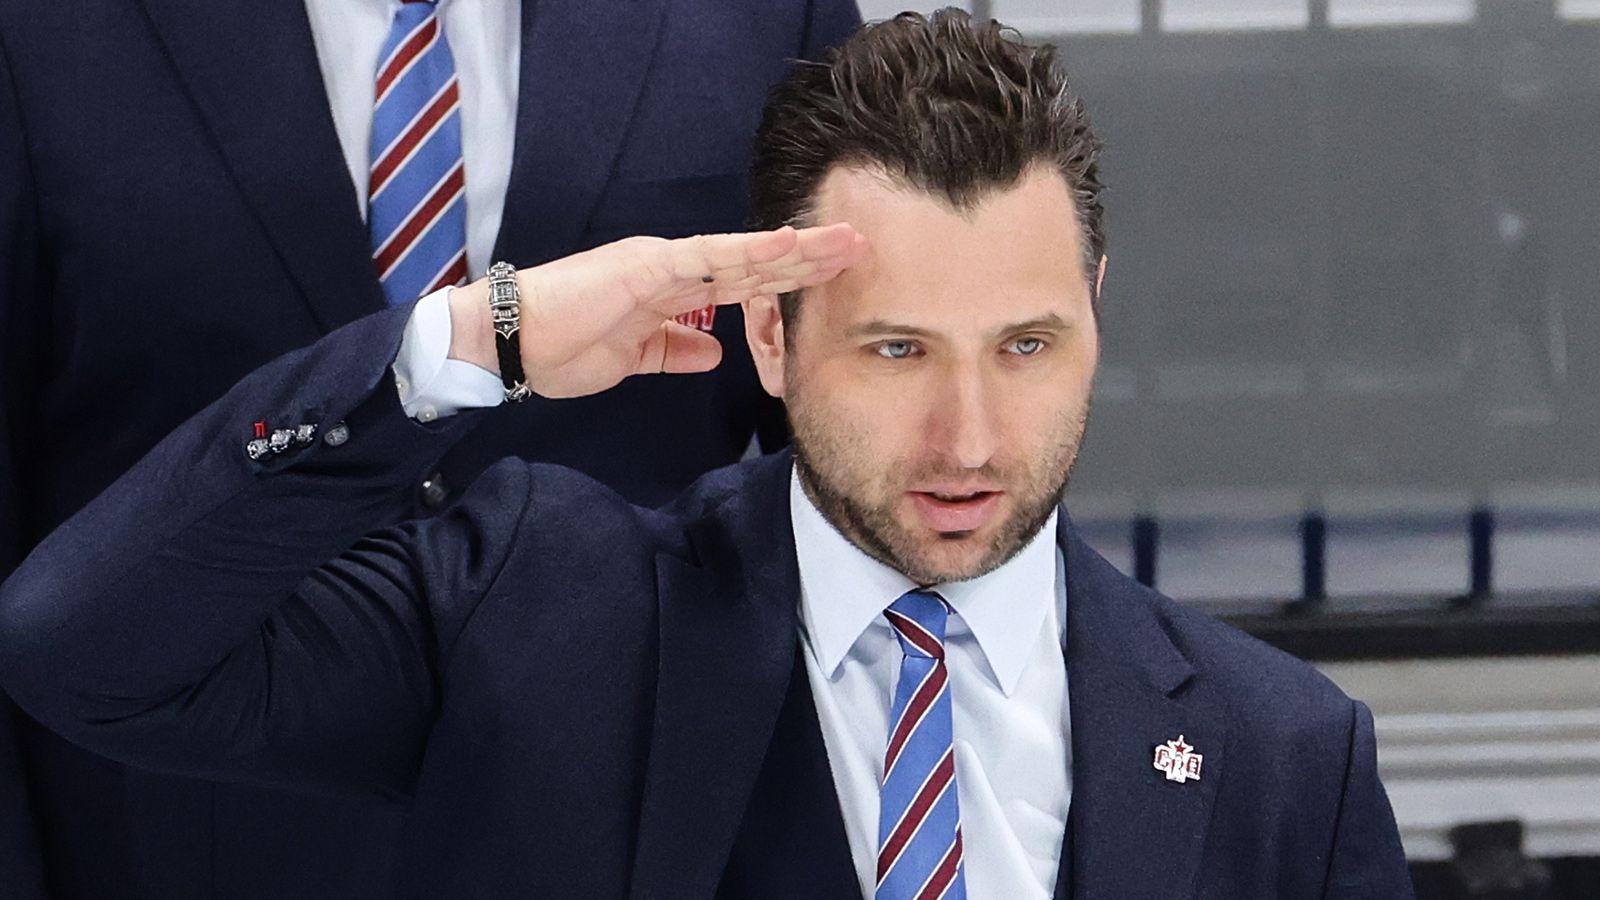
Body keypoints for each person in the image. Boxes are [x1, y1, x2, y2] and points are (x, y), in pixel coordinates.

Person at [0, 11, 1413, 899]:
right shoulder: (555, 632)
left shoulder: (1286, 756)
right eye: (897, 350)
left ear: (1098, 310)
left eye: (1026, 346)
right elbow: (80, 641)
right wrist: (474, 340)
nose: (971, 440)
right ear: (770, 337)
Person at [0, 1, 861, 897]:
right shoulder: (37, 29)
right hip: (183, 819)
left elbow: (851, 432)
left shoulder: (765, 15)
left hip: (635, 820)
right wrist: (485, 339)